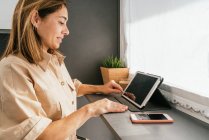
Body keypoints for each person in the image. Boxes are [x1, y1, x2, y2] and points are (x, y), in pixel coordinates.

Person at [0, 0, 128, 140]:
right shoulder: (12, 70)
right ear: (36, 19)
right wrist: (92, 109)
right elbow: (39, 136)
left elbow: (65, 88)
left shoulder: (54, 59)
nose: (67, 31)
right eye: (61, 22)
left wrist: (100, 88)